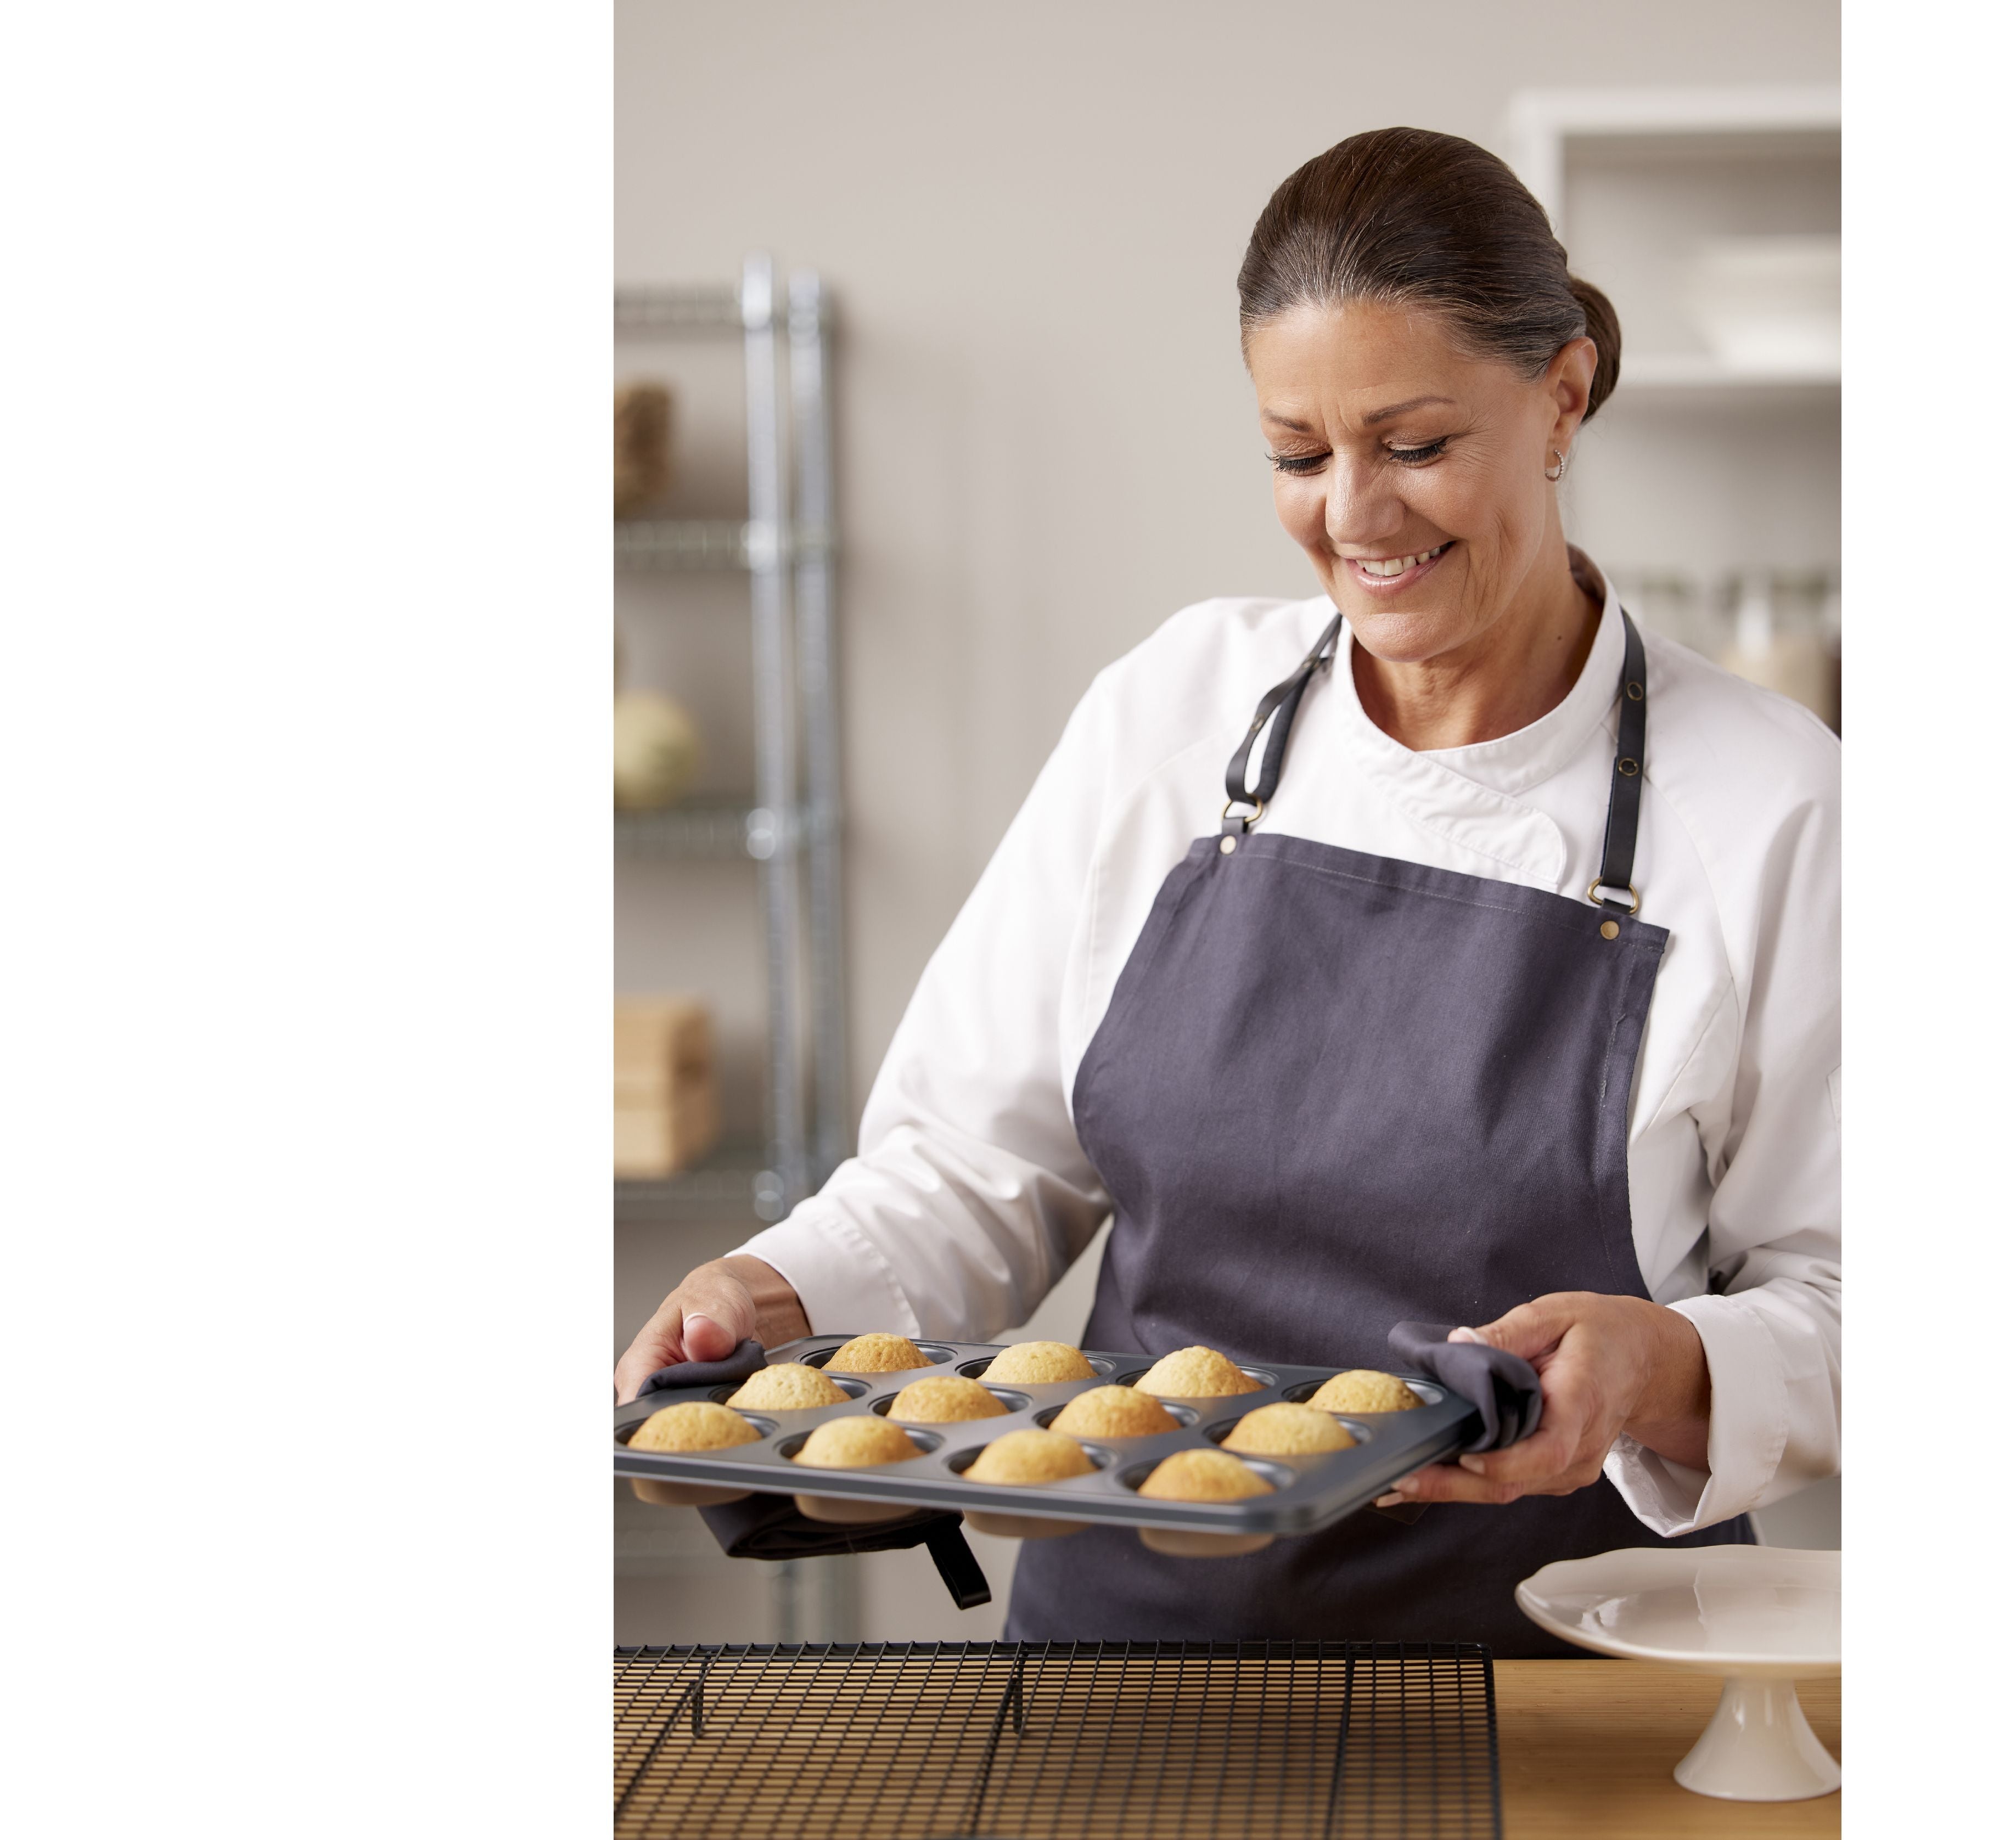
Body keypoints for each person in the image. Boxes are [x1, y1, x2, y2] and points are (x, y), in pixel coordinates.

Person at [616, 126, 1839, 1655]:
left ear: (1564, 393)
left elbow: (1856, 1302)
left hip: (1552, 1670)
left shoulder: (1772, 801)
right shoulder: (1176, 709)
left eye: (1413, 443)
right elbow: (976, 1162)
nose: (1355, 517)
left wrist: (1665, 1366)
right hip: (1128, 1661)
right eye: (1298, 453)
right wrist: (778, 1285)